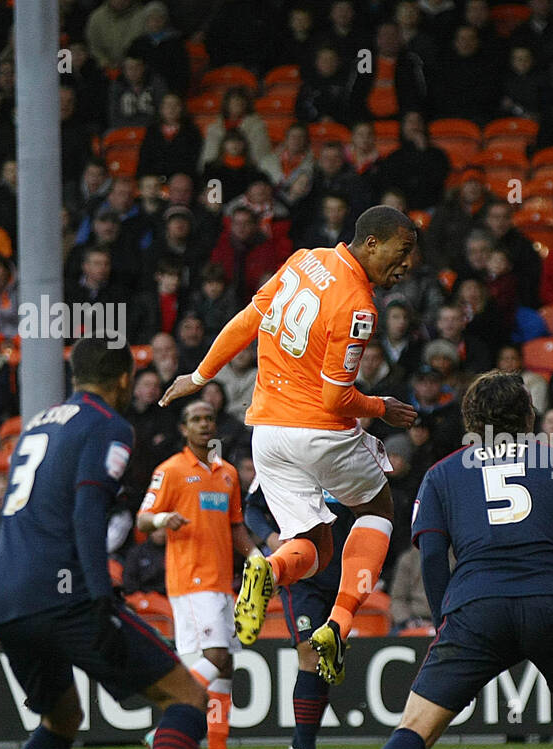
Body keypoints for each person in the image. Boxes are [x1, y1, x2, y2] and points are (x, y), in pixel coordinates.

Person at [301, 372, 553, 749]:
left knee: (415, 727)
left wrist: (444, 619)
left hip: (474, 609)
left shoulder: (442, 473)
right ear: (529, 416)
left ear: (469, 420)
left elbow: (432, 557)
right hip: (549, 604)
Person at [0, 339, 220, 749]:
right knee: (187, 696)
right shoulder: (109, 424)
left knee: (61, 720)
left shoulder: (37, 423)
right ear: (125, 381)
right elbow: (88, 509)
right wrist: (98, 591)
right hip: (63, 592)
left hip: (4, 594)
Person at [158, 206, 418, 685]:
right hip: (318, 430)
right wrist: (382, 406)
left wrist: (200, 375)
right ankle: (338, 627)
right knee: (379, 508)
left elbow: (247, 320)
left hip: (268, 435)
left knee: (314, 547)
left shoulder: (302, 259)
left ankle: (271, 569)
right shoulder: (358, 304)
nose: (404, 266)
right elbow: (336, 397)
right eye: (401, 254)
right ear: (373, 243)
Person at [136, 401, 259, 749]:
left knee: (225, 668)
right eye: (196, 419)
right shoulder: (170, 471)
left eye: (208, 418)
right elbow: (142, 520)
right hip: (191, 580)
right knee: (217, 655)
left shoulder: (227, 474)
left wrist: (254, 556)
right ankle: (165, 725)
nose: (204, 424)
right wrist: (161, 519)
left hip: (222, 580)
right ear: (183, 428)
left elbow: (235, 525)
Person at [244, 485, 354, 749]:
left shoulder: (348, 460)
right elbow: (251, 507)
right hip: (301, 575)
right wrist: (270, 538)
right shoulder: (289, 454)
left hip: (342, 575)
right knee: (311, 651)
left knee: (328, 661)